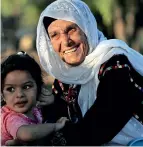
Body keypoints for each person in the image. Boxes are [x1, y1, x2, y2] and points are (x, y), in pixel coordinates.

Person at [35, 0, 143, 145]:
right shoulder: (65, 78)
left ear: (86, 28)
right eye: (55, 35)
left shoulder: (116, 64)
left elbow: (96, 130)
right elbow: (54, 118)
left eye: (71, 29)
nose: (66, 42)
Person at [1, 51, 68, 146]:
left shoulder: (36, 109)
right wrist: (55, 126)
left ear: (39, 88)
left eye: (27, 87)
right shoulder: (9, 117)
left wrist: (54, 101)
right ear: (2, 94)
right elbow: (26, 134)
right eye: (10, 89)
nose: (19, 94)